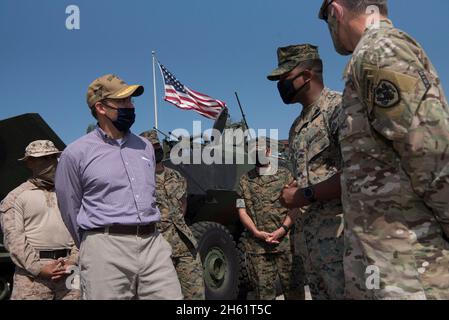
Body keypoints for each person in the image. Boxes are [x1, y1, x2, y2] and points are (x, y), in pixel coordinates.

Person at [319, 0, 449, 299]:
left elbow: (433, 157)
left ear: (335, 12)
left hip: (412, 274)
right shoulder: (371, 55)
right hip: (389, 271)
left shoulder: (381, 51)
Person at [55, 74, 182, 300]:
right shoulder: (75, 153)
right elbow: (69, 207)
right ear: (101, 107)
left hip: (153, 245)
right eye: (123, 102)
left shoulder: (145, 147)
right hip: (105, 248)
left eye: (131, 101)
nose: (130, 106)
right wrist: (94, 242)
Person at [268, 44, 345, 299]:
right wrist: (293, 189)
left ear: (308, 75)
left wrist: (303, 195)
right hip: (311, 248)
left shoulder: (339, 109)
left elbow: (358, 176)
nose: (280, 85)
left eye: (285, 78)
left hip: (343, 243)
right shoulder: (297, 127)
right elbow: (311, 173)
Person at [0, 140, 80, 300]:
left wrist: (73, 260)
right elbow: (14, 239)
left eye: (53, 157)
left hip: (69, 270)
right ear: (29, 162)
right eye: (43, 158)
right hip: (32, 274)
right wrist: (38, 268)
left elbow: (79, 229)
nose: (50, 163)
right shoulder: (15, 197)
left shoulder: (70, 194)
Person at [236, 138, 305, 300]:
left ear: (268, 152)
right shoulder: (245, 180)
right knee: (263, 296)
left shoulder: (285, 175)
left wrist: (283, 229)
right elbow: (242, 210)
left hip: (287, 245)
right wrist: (256, 232)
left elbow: (296, 206)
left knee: (295, 292)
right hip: (258, 248)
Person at [140, 130, 205, 300]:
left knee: (196, 295)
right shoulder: (141, 180)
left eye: (157, 145)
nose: (156, 150)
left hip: (186, 246)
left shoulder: (175, 175)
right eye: (151, 147)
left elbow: (183, 202)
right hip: (159, 249)